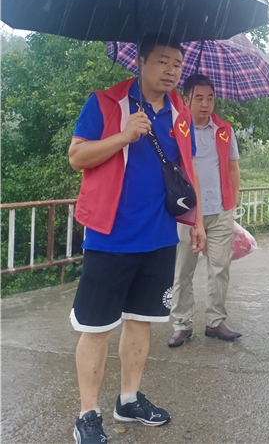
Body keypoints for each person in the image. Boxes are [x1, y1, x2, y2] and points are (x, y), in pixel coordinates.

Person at [68, 37, 206, 444]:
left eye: (177, 63)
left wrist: (196, 220)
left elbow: (187, 169)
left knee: (141, 322)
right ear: (140, 61)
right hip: (109, 237)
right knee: (96, 328)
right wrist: (124, 136)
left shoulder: (179, 112)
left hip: (159, 236)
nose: (171, 70)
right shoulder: (105, 103)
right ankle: (87, 414)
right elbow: (77, 157)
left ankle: (128, 399)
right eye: (162, 60)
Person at [168, 74, 242, 348]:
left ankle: (215, 321)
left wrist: (232, 204)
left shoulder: (224, 130)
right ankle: (182, 324)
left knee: (220, 268)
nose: (205, 104)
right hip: (186, 213)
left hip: (220, 210)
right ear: (185, 99)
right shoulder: (176, 129)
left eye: (210, 98)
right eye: (198, 98)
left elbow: (233, 167)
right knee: (183, 270)